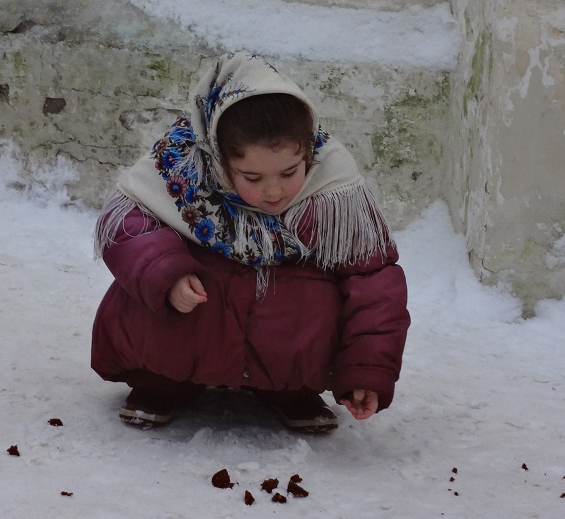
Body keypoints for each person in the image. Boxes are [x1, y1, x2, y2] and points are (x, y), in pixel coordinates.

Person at [91, 51, 410, 432]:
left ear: (308, 151)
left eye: (290, 172)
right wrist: (167, 275)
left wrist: (366, 369)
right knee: (164, 289)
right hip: (186, 338)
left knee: (311, 294)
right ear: (218, 157)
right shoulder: (179, 165)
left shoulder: (333, 188)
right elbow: (127, 229)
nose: (274, 192)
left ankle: (292, 391)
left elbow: (374, 280)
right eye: (252, 178)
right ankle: (161, 383)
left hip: (286, 356)